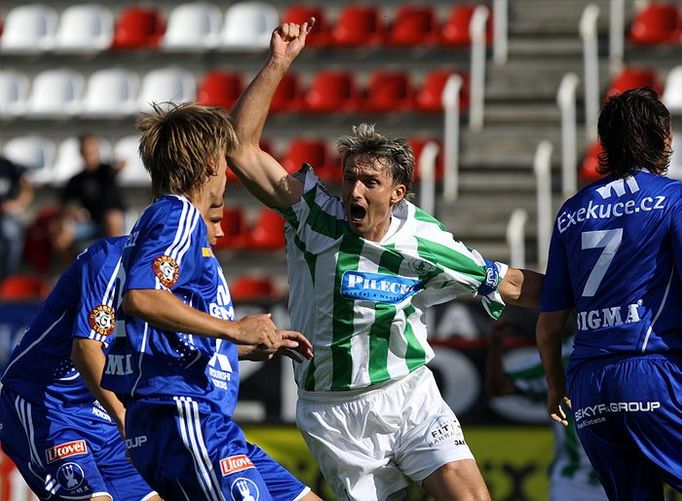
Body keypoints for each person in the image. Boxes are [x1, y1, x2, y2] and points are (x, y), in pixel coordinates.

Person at [226, 19, 545, 501]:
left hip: (409, 394)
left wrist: (592, 297)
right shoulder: (313, 214)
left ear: (397, 194)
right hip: (333, 411)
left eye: (369, 182)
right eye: (350, 177)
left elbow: (509, 283)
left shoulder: (424, 239)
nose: (354, 189)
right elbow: (240, 148)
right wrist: (279, 62)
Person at [99, 102, 322, 501]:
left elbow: (158, 338)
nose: (227, 172)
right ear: (208, 164)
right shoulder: (178, 214)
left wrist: (234, 347)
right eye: (223, 159)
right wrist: (233, 328)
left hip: (199, 419)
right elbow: (143, 297)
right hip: (184, 415)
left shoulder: (173, 226)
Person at [536, 87, 682, 500]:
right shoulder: (673, 200)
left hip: (588, 389)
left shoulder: (571, 212)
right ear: (663, 136)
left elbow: (549, 327)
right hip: (651, 374)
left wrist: (554, 385)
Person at [0, 235, 159, 499]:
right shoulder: (113, 260)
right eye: (213, 216)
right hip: (45, 402)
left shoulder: (179, 273)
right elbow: (85, 350)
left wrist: (238, 340)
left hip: (98, 411)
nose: (220, 231)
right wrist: (128, 422)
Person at [486, 318, 607, 501]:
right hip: (575, 483)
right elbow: (501, 387)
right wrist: (496, 344)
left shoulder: (639, 351)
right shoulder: (560, 357)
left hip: (630, 474)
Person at [53, 134, 127, 261]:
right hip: (89, 223)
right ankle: (71, 274)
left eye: (91, 150)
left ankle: (115, 264)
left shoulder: (106, 171)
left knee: (112, 218)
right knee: (61, 232)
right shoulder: (76, 179)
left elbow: (117, 168)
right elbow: (65, 203)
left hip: (111, 222)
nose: (89, 154)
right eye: (86, 151)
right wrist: (75, 212)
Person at [0, 155, 34, 280]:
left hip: (7, 215)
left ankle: (7, 281)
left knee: (12, 234)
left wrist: (18, 205)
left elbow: (27, 187)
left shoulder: (7, 165)